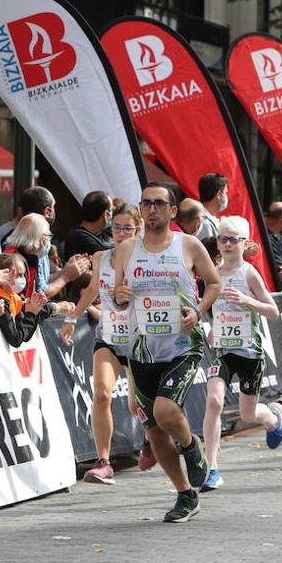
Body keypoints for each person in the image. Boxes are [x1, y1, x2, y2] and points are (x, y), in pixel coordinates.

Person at [111, 182, 220, 522]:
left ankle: (192, 449)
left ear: (173, 212)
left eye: (159, 203)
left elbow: (213, 283)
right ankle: (185, 495)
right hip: (142, 348)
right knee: (155, 431)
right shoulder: (127, 248)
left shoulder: (189, 245)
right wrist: (120, 295)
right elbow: (117, 295)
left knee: (166, 410)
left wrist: (198, 310)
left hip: (182, 345)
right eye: (146, 203)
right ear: (140, 209)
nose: (152, 209)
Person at [200, 216, 282, 490]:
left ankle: (272, 418)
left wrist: (247, 300)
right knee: (214, 402)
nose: (226, 244)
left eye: (233, 239)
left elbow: (273, 310)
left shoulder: (249, 273)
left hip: (249, 351)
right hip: (223, 350)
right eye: (222, 239)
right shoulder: (212, 272)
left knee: (248, 415)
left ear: (244, 243)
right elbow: (211, 306)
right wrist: (212, 326)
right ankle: (211, 468)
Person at [64, 203, 142, 486]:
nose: (120, 233)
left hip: (138, 340)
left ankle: (154, 441)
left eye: (127, 228)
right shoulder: (101, 257)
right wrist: (72, 316)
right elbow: (91, 290)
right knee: (101, 395)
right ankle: (104, 462)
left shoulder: (146, 260)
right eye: (117, 227)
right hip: (108, 337)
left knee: (136, 405)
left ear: (138, 228)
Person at [0, 253, 56, 347]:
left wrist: (34, 309)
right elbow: (16, 339)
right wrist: (31, 314)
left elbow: (25, 335)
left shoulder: (13, 297)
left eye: (23, 275)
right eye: (18, 275)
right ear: (4, 274)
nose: (23, 279)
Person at [63, 191, 114, 260]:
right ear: (105, 214)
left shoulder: (101, 234)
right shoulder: (78, 236)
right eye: (111, 211)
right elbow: (108, 255)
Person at [196, 173, 229, 240]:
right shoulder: (205, 224)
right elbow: (208, 250)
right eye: (226, 193)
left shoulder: (210, 220)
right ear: (219, 195)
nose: (227, 196)